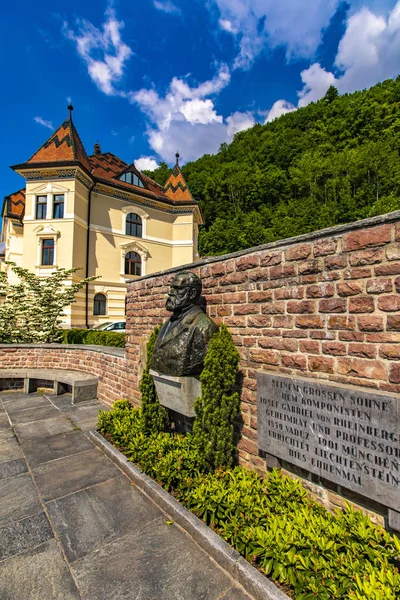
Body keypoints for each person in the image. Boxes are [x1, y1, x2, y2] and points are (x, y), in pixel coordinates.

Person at [150, 271, 218, 377]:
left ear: (192, 294)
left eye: (177, 288)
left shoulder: (204, 327)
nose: (170, 292)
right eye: (171, 288)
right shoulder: (169, 322)